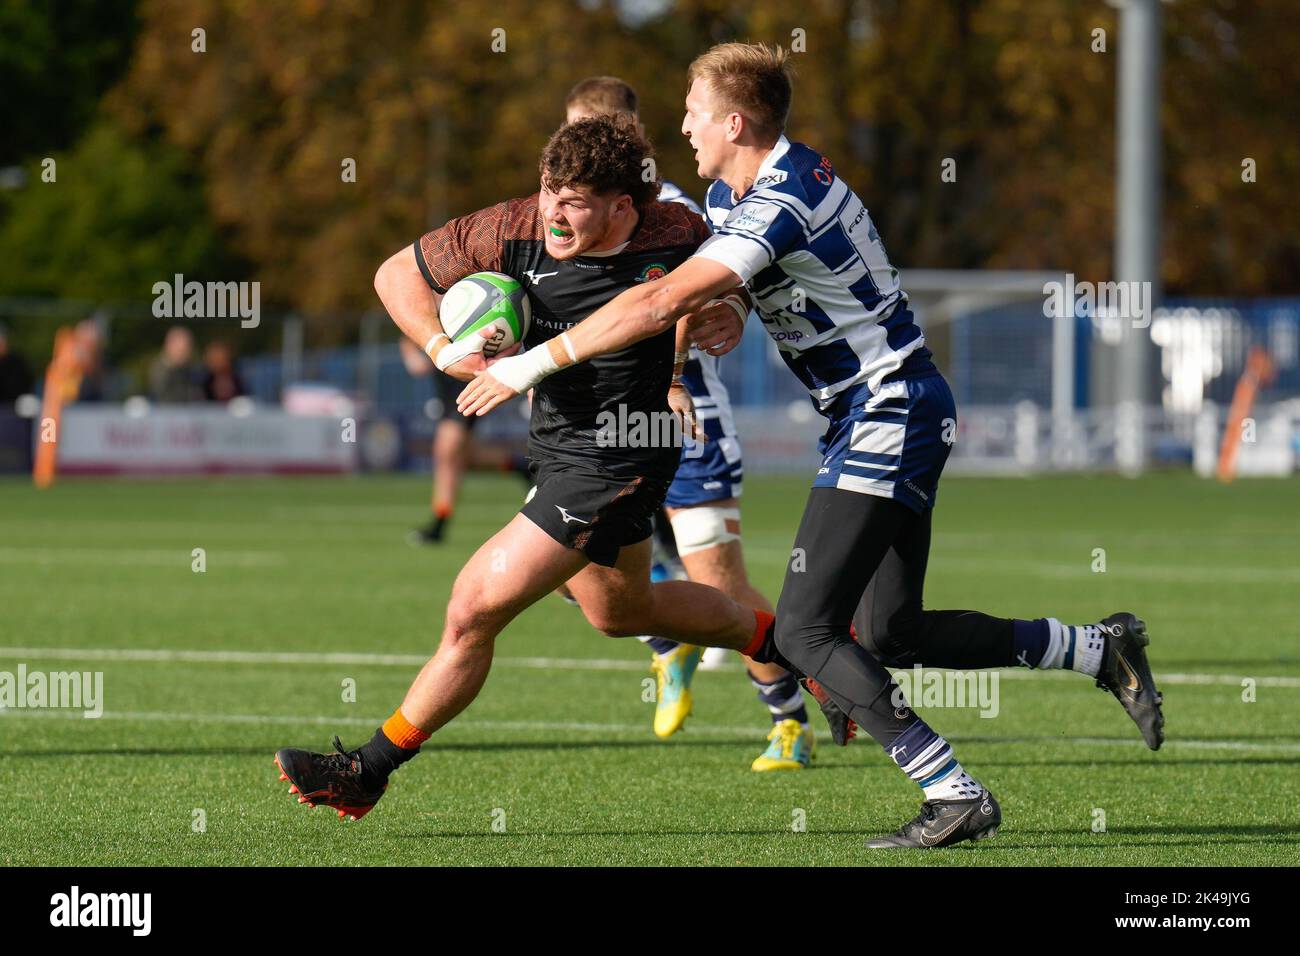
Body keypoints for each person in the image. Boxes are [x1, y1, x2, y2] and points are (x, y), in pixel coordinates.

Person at [455, 42, 1165, 850]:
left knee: (803, 631)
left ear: (733, 120)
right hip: (880, 411)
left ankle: (952, 789)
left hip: (887, 408)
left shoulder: (780, 198)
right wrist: (732, 316)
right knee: (891, 634)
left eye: (691, 110)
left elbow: (658, 302)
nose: (680, 125)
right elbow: (740, 292)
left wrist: (530, 364)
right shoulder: (735, 193)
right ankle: (1097, 647)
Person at [273, 115, 775, 822]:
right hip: (558, 445)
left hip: (622, 453)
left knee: (473, 607)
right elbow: (395, 275)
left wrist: (732, 307)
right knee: (621, 610)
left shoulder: (675, 234)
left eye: (573, 200)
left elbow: (744, 274)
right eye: (548, 190)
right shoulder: (507, 227)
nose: (552, 212)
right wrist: (445, 350)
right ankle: (790, 643)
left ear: (621, 207)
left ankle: (367, 770)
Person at [564, 75, 811, 770]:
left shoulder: (672, 209)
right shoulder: (567, 211)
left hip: (683, 420)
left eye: (597, 136)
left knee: (720, 587)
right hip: (600, 426)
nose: (581, 151)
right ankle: (668, 642)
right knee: (558, 562)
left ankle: (790, 720)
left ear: (630, 138)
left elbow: (672, 302)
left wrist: (671, 380)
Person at [398, 336, 529, 544]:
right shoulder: (435, 307)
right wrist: (409, 349)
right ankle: (521, 466)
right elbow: (410, 321)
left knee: (446, 452)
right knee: (466, 458)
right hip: (446, 383)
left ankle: (439, 524)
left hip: (466, 382)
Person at [149, 326, 199, 403]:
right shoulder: (159, 370)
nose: (184, 354)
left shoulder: (193, 370)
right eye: (180, 350)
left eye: (186, 349)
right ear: (169, 346)